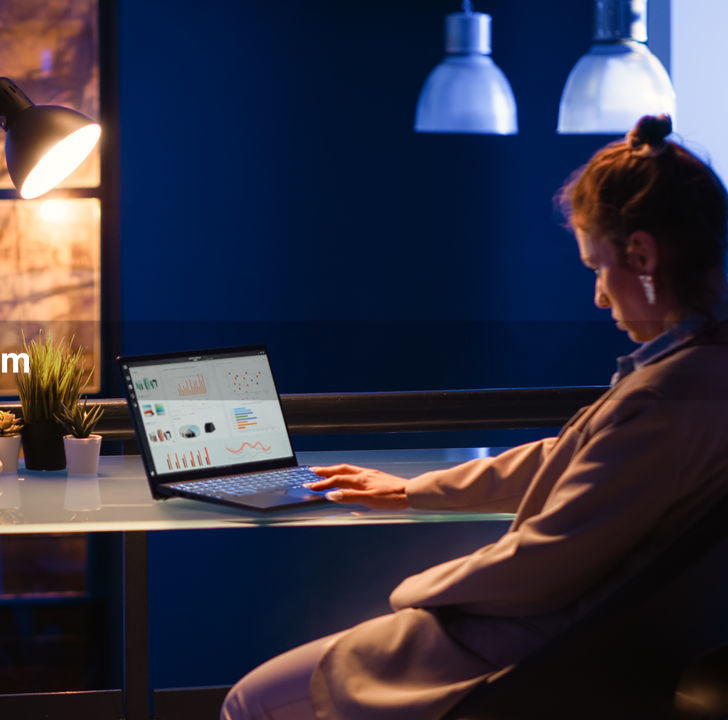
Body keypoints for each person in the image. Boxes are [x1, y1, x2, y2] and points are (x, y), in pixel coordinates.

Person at [221, 114, 728, 720]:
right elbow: (569, 455)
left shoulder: (667, 398)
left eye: (598, 267)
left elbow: (546, 560)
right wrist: (412, 490)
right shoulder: (701, 373)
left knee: (250, 701)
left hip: (537, 653)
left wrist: (417, 593)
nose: (598, 295)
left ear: (641, 253)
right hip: (617, 645)